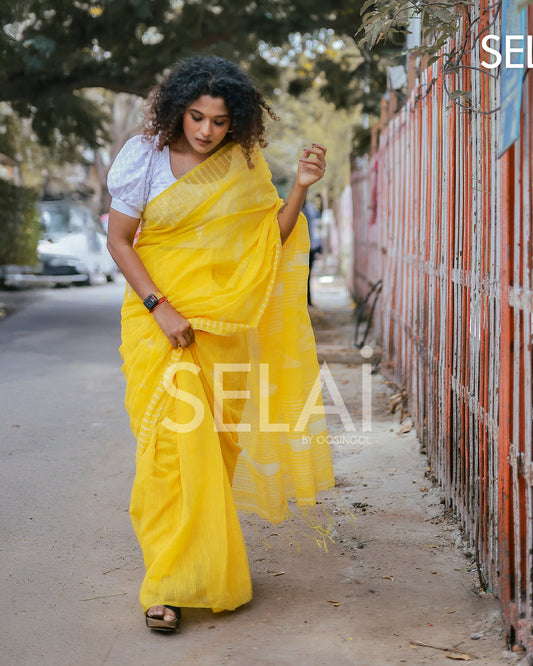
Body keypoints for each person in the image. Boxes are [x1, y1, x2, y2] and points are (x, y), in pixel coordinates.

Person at [106, 55, 334, 632]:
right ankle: (165, 585)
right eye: (196, 116)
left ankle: (194, 567)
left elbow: (265, 244)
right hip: (158, 326)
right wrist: (162, 308)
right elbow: (119, 241)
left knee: (211, 454)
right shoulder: (144, 158)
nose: (205, 131)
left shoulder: (245, 165)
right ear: (178, 109)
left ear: (238, 123)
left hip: (222, 333)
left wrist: (300, 189)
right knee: (166, 455)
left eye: (219, 121)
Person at [302, 198, 322, 306]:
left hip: (310, 248)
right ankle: (306, 300)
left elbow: (316, 229)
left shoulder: (310, 210)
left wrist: (318, 246)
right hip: (302, 249)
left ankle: (307, 299)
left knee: (307, 275)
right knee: (303, 276)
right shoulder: (301, 211)